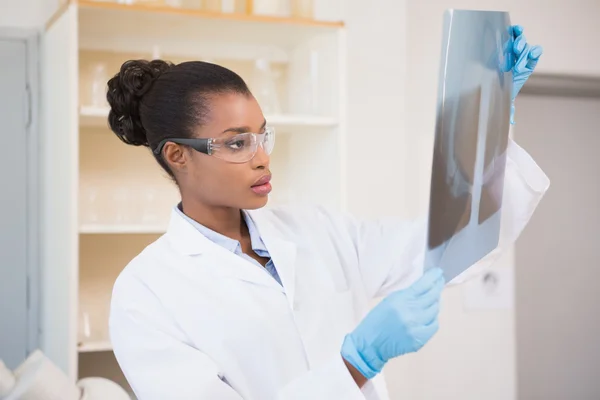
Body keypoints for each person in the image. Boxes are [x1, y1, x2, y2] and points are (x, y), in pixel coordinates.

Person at [107, 26, 548, 400]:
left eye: (263, 136)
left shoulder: (317, 230)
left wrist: (489, 121)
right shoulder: (145, 294)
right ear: (177, 156)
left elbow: (454, 245)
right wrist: (353, 365)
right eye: (238, 142)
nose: (262, 158)